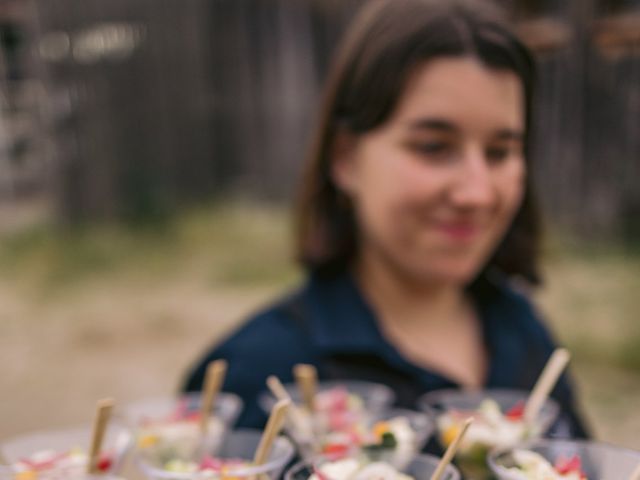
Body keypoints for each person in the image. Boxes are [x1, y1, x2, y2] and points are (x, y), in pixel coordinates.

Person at [183, 0, 589, 441]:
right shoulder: (258, 373)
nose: (476, 192)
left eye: (499, 152)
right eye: (434, 147)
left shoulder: (522, 332)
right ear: (345, 158)